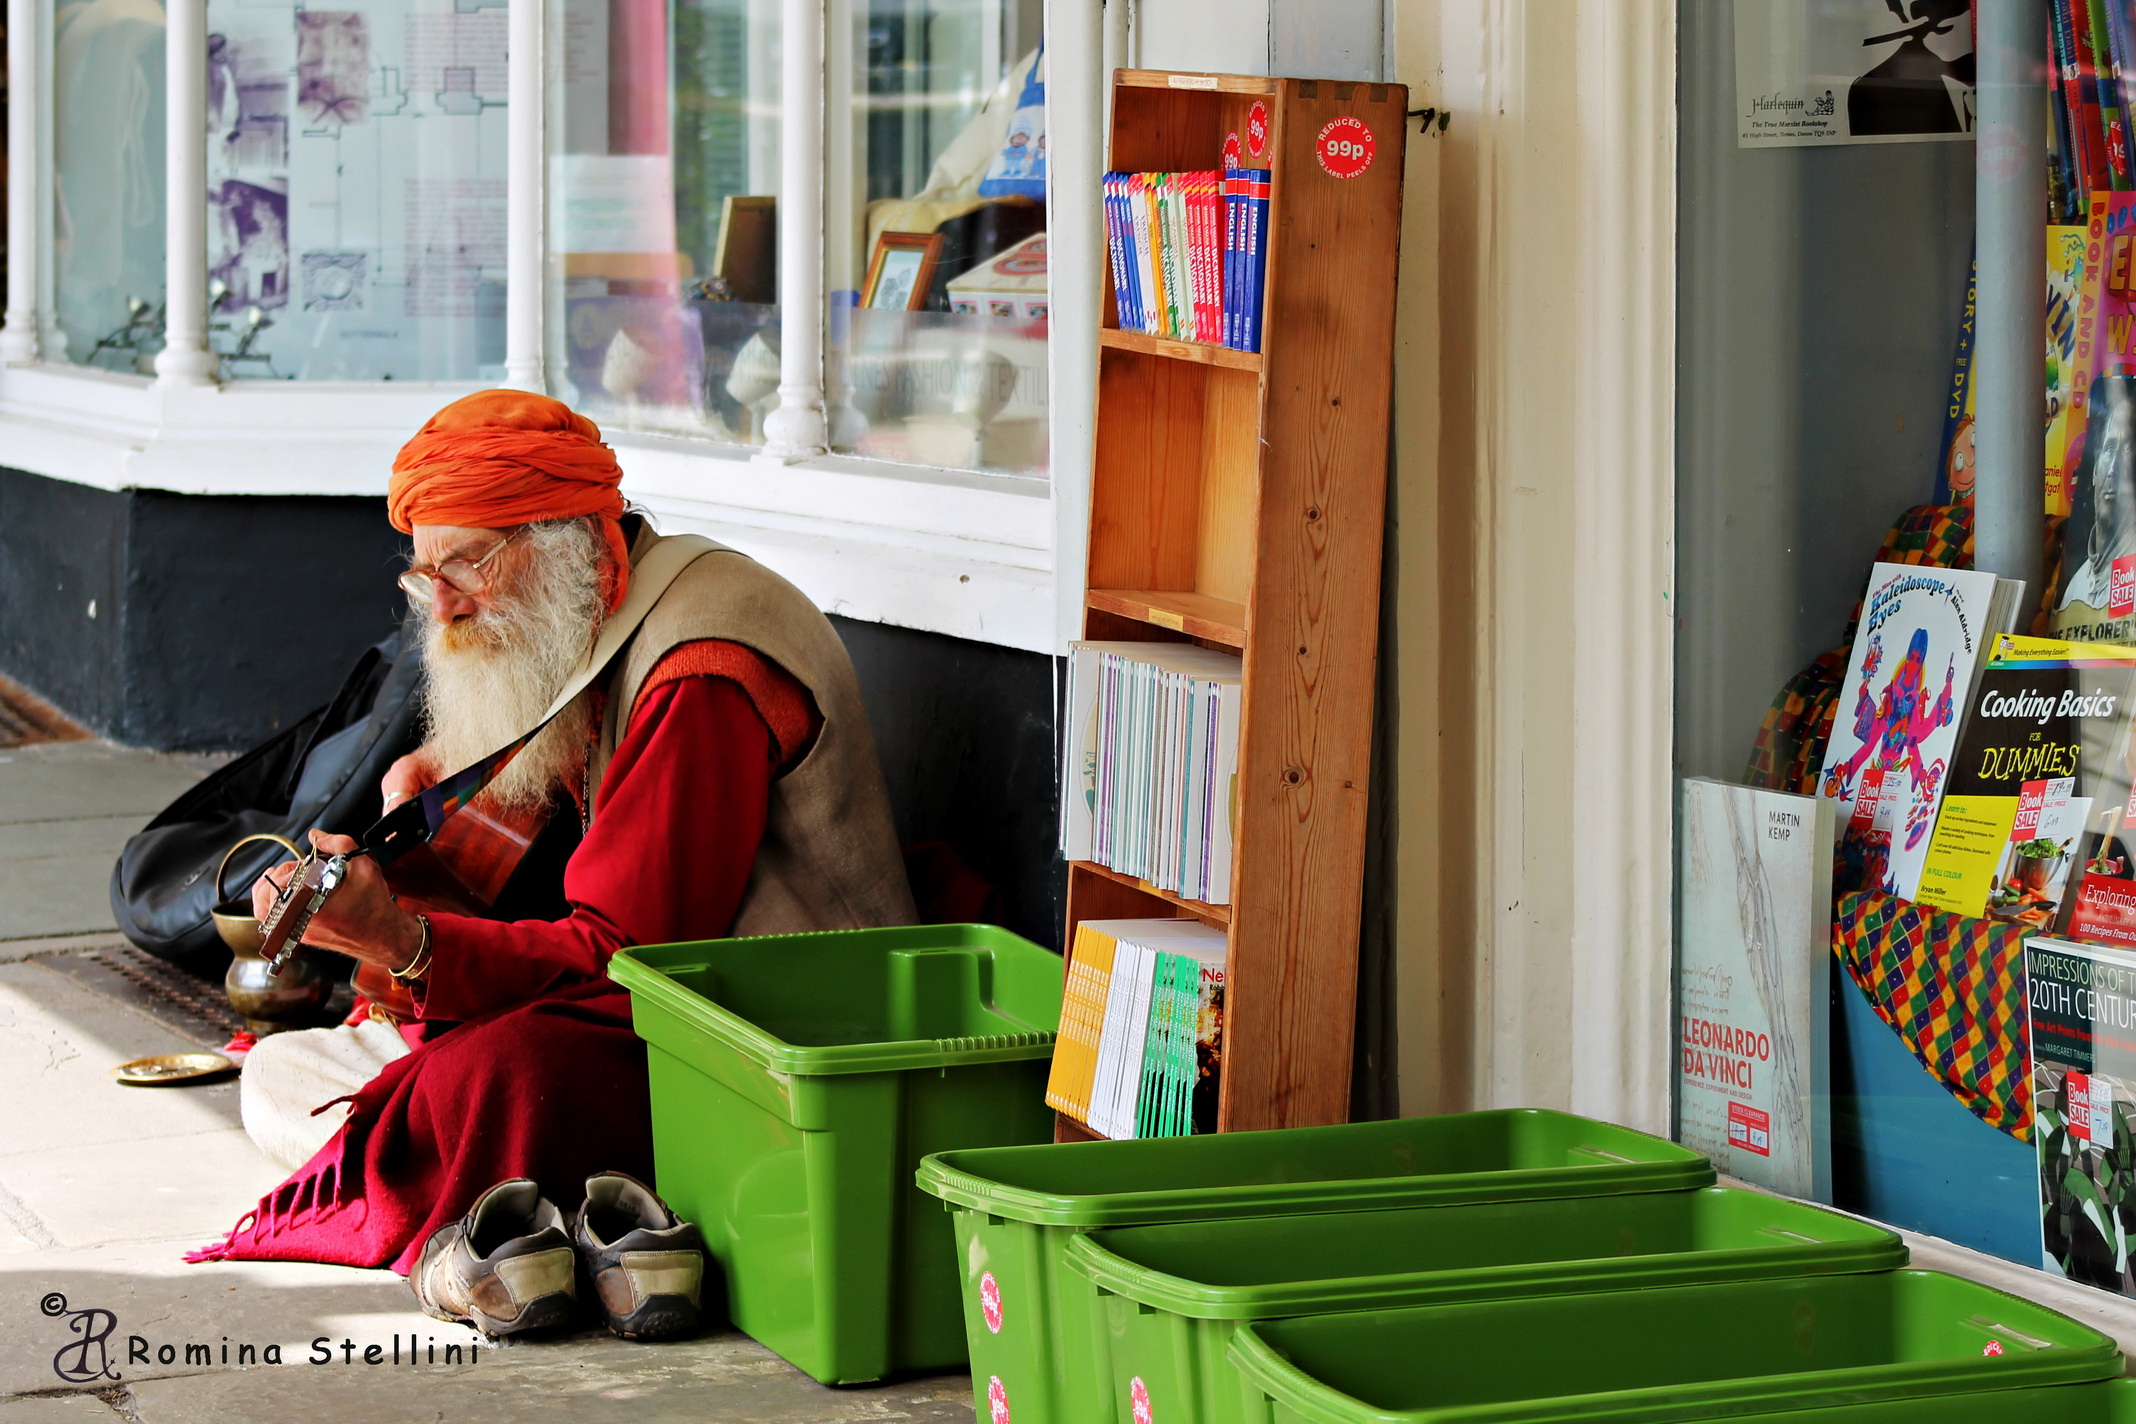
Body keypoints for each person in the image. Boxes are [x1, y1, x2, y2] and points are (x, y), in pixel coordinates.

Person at [192, 390, 916, 1300]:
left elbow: (627, 958)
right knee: (291, 1067)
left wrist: (404, 943)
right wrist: (425, 825)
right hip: (681, 1001)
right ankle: (559, 1217)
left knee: (487, 1078)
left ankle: (521, 1221)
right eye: (425, 575)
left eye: (466, 565)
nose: (443, 607)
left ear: (568, 541)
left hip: (772, 1039)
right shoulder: (605, 604)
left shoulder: (702, 672)